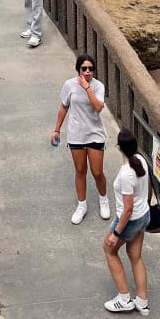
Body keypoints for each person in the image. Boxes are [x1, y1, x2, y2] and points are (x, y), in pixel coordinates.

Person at [52, 53, 110, 223]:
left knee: (97, 172)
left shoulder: (98, 86)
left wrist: (87, 88)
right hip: (76, 134)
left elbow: (98, 107)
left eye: (90, 69)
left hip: (95, 133)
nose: (87, 72)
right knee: (80, 171)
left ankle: (103, 199)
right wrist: (57, 130)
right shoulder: (69, 85)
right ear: (78, 69)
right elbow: (64, 107)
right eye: (84, 68)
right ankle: (82, 205)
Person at [103, 131, 152, 315]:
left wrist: (116, 234)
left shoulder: (125, 174)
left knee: (109, 249)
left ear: (119, 148)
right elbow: (148, 189)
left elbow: (127, 209)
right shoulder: (141, 160)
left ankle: (124, 299)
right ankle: (142, 301)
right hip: (144, 215)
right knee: (135, 255)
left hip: (130, 220)